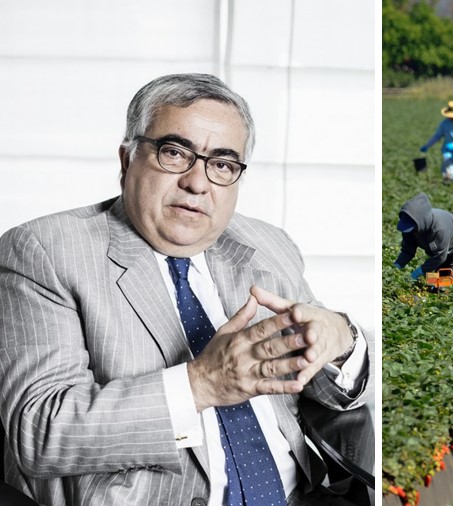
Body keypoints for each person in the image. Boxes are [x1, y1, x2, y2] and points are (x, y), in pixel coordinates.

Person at [0, 74, 372, 505]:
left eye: (222, 165)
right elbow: (42, 432)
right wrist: (202, 383)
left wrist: (341, 338)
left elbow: (327, 392)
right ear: (126, 161)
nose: (198, 183)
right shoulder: (44, 251)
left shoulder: (269, 246)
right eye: (174, 153)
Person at [393, 192, 453, 280]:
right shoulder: (409, 227)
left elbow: (440, 257)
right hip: (443, 249)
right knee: (437, 281)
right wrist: (396, 267)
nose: (411, 231)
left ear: (422, 222)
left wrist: (418, 273)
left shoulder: (440, 229)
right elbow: (408, 251)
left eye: (412, 228)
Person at [419, 101, 453, 183]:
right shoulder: (445, 123)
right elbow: (437, 136)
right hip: (448, 153)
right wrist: (428, 145)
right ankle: (447, 184)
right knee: (449, 175)